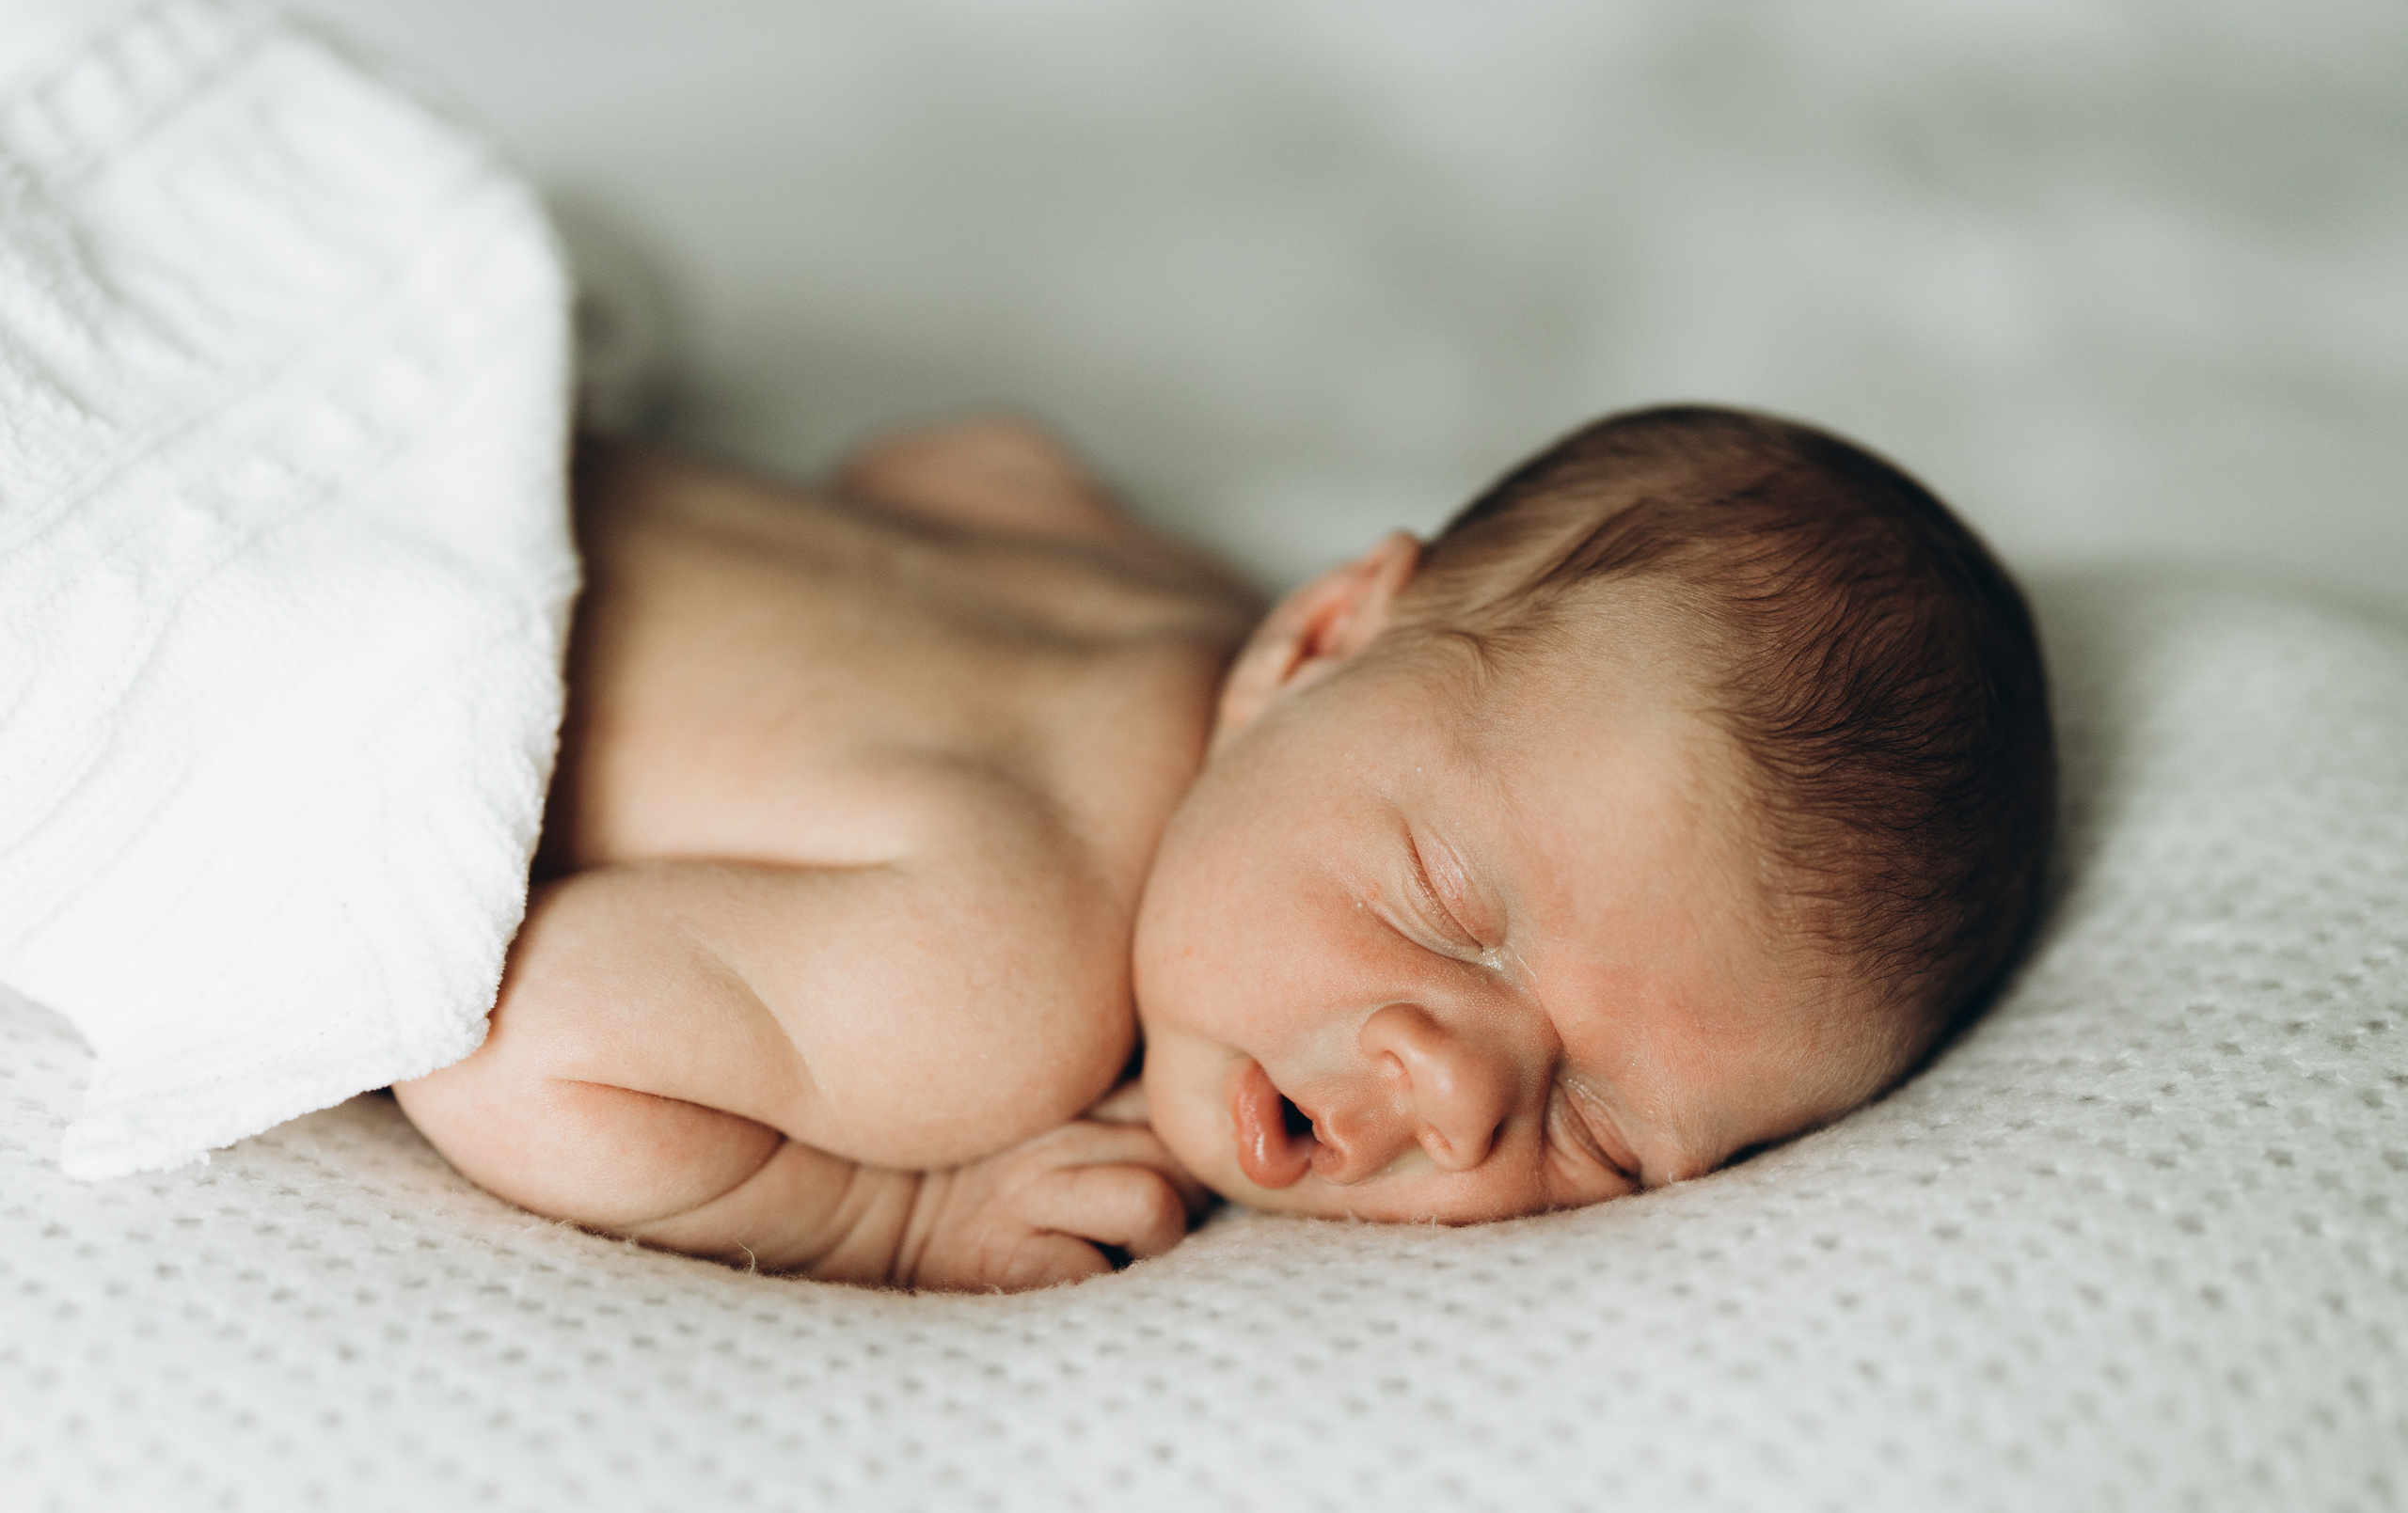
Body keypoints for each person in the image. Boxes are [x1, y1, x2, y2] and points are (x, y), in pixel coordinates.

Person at [393, 403, 2055, 1290]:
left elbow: (957, 451)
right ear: (1322, 635)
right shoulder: (1000, 972)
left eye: (1606, 1135)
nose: (1464, 1094)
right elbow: (504, 1049)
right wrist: (888, 1219)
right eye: (1453, 913)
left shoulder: (1173, 599)